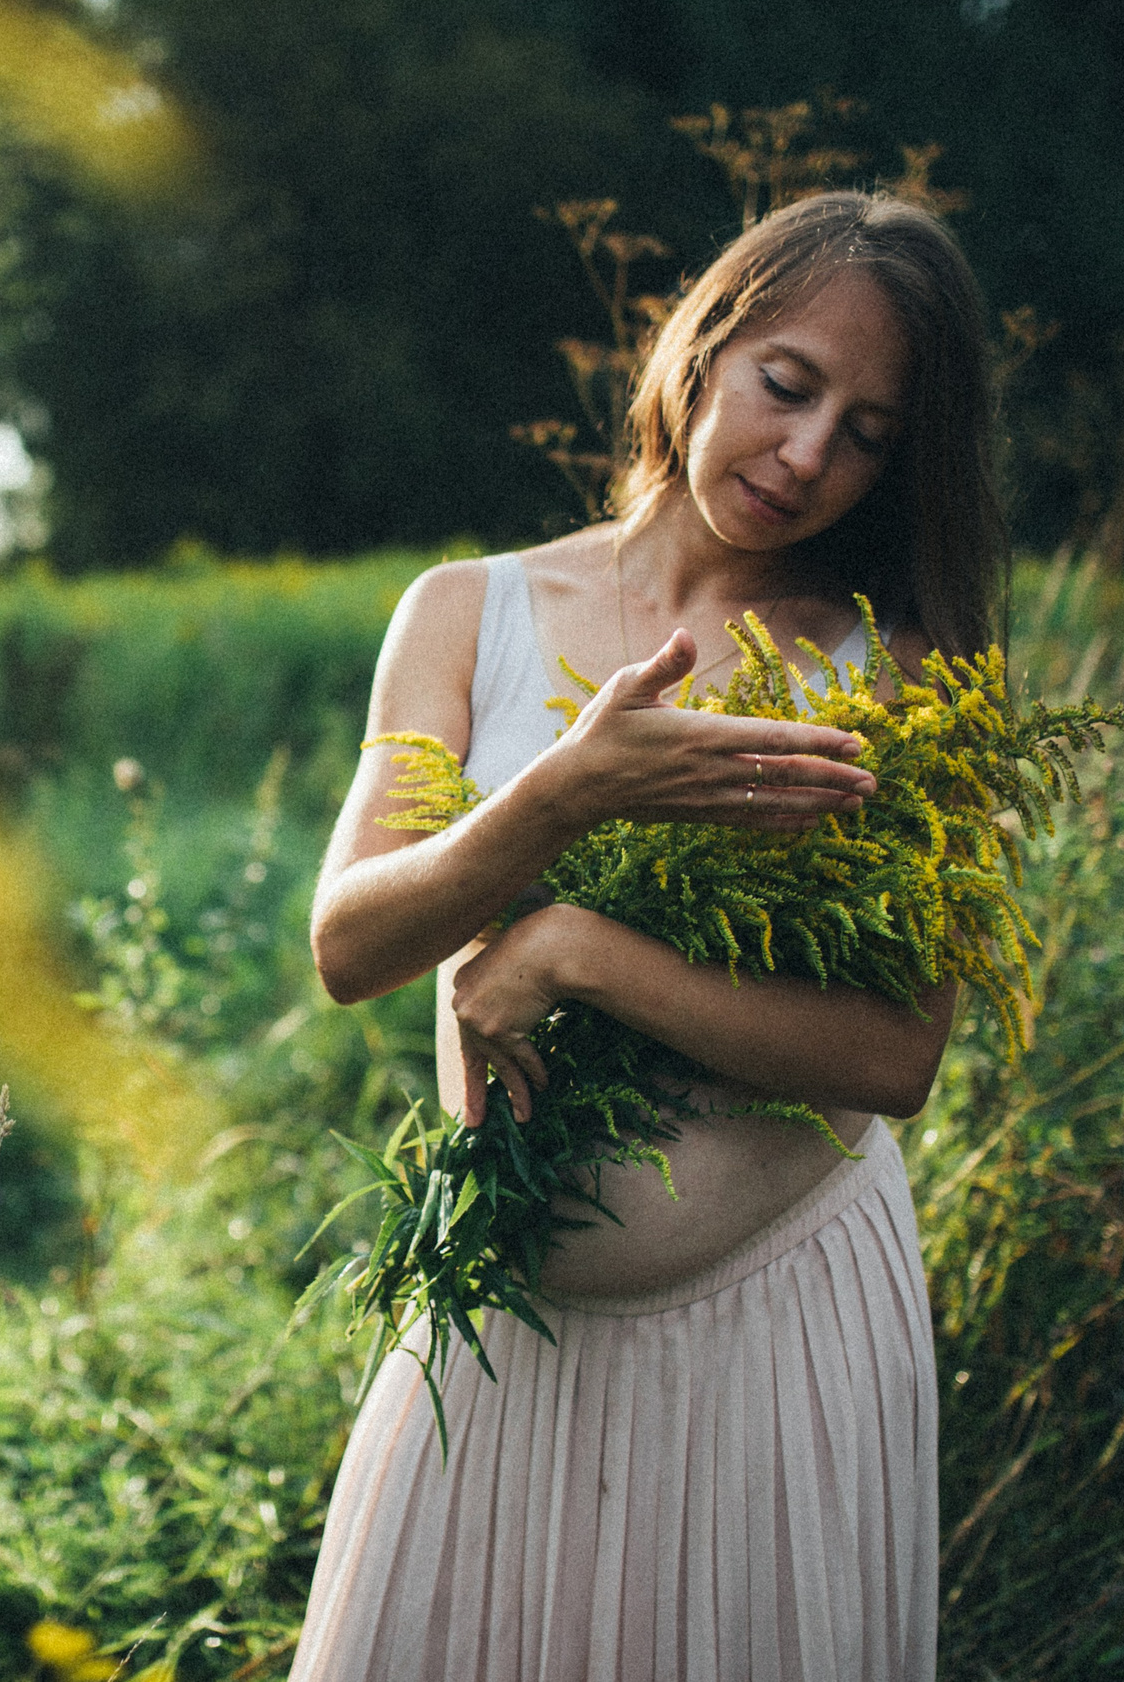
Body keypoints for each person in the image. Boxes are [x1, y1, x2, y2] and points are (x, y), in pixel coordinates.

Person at [293, 190, 1006, 1682]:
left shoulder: (906, 670)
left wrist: (582, 953)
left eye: (869, 433)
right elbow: (352, 943)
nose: (809, 457)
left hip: (781, 1338)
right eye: (789, 387)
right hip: (498, 1332)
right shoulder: (465, 612)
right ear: (703, 345)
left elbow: (901, 1053)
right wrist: (559, 797)